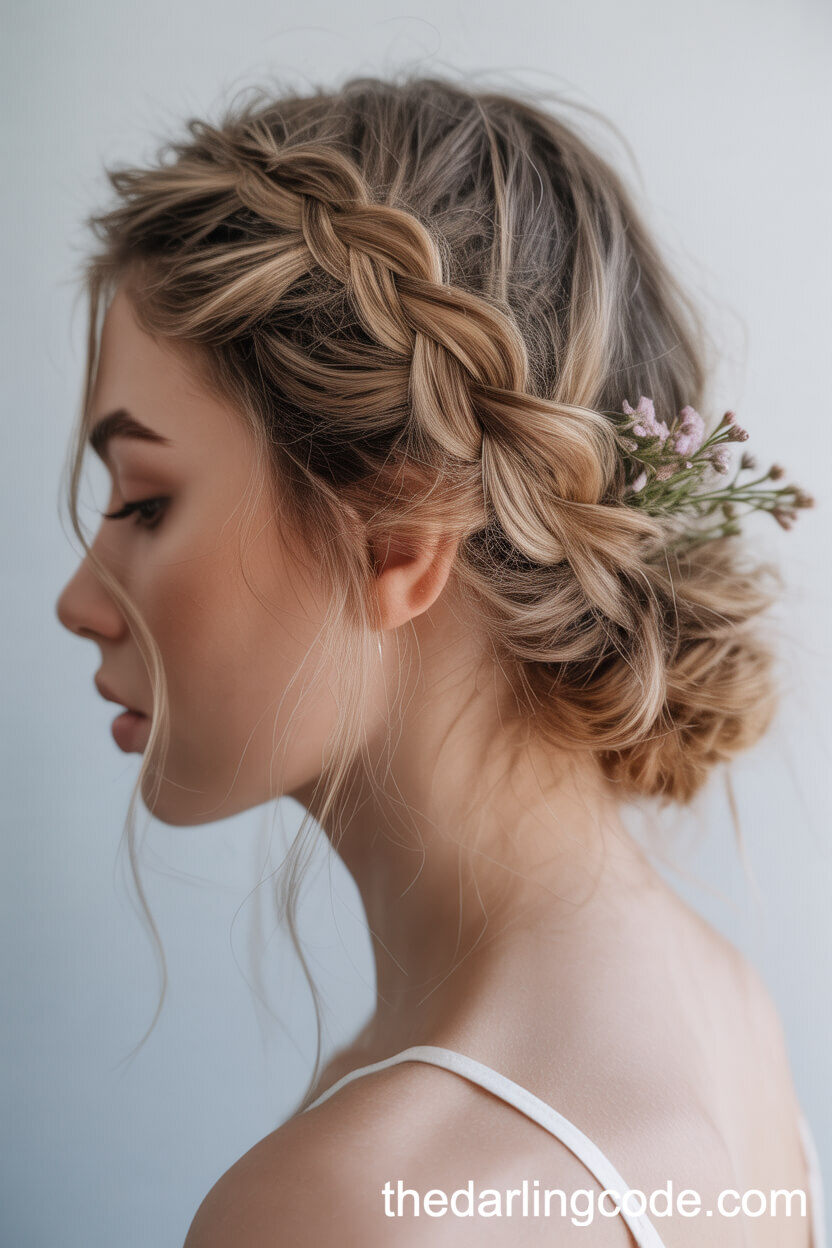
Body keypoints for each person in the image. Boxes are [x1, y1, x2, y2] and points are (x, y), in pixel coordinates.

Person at [55, 74, 824, 1246]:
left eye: (147, 503)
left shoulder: (352, 1209)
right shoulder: (719, 1008)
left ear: (400, 537)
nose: (78, 602)